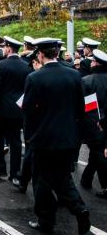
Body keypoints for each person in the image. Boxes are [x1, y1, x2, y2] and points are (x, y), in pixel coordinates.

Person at [22, 38, 90, 234]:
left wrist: (29, 137)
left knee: (41, 181)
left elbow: (28, 112)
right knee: (62, 178)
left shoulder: (35, 78)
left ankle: (46, 221)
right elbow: (81, 108)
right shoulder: (74, 75)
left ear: (40, 54)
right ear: (57, 53)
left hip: (43, 139)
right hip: (68, 138)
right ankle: (79, 208)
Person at [0, 37, 31, 181]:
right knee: (16, 141)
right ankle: (15, 173)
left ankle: (1, 170)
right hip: (18, 110)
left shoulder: (1, 65)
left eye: (5, 47)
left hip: (1, 110)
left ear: (9, 48)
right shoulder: (26, 66)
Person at [80, 49, 107, 199]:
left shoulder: (88, 81)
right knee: (97, 153)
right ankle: (86, 179)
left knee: (98, 153)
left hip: (94, 123)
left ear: (96, 64)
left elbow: (85, 107)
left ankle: (105, 185)